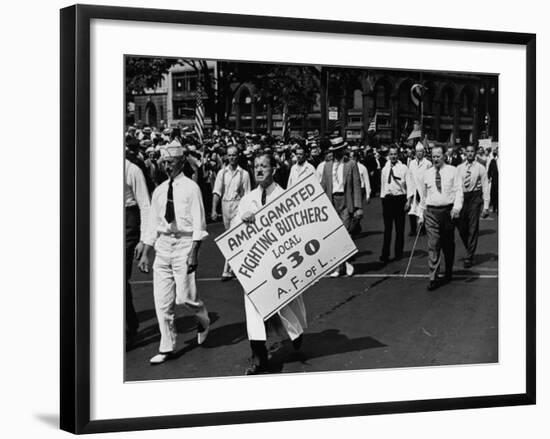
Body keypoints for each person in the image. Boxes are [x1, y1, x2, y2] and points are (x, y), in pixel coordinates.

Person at [138, 140, 211, 365]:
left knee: (185, 297)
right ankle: (166, 345)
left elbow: (199, 224)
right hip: (163, 247)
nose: (167, 166)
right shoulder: (160, 191)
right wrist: (145, 251)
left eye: (171, 162)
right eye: (164, 162)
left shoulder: (191, 188)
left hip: (184, 245)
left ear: (181, 161)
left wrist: (194, 252)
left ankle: (203, 319)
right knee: (162, 301)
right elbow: (153, 224)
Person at [237, 153, 307, 375]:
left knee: (285, 304)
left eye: (264, 166)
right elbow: (234, 235)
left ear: (273, 169)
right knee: (254, 310)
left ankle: (296, 333)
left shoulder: (284, 197)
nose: (258, 170)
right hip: (256, 266)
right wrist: (242, 221)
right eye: (256, 166)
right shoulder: (247, 200)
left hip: (280, 262)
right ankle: (259, 358)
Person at [418, 145, 463, 291]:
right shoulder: (427, 173)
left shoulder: (453, 171)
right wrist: (420, 214)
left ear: (444, 156)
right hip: (431, 213)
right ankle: (433, 276)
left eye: (438, 156)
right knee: (433, 244)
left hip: (448, 212)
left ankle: (448, 270)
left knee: (448, 244)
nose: (435, 158)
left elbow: (458, 191)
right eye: (433, 156)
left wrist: (456, 208)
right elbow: (423, 197)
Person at [318, 137, 363, 277]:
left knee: (345, 233)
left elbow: (356, 186)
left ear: (343, 149)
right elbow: (324, 186)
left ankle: (346, 262)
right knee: (335, 236)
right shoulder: (327, 166)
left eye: (340, 150)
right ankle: (339, 266)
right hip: (332, 201)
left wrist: (358, 207)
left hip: (346, 200)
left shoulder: (351, 164)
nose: (337, 153)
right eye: (335, 150)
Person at [211, 146, 251, 281]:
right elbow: (217, 192)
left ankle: (226, 270)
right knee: (232, 238)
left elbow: (247, 194)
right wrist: (213, 210)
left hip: (238, 205)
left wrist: (247, 211)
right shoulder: (222, 173)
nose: (232, 158)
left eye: (234, 155)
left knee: (231, 238)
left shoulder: (244, 174)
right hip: (225, 205)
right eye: (229, 155)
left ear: (238, 156)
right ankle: (235, 267)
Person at [124, 158, 151, 343]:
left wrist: (143, 240)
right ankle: (130, 323)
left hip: (129, 222)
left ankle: (126, 330)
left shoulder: (132, 170)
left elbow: (145, 205)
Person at [456, 145, 490, 268]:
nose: (470, 154)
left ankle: (469, 256)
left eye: (472, 151)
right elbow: (455, 185)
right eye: (468, 152)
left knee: (473, 227)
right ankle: (469, 248)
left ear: (475, 153)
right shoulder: (459, 168)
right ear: (465, 153)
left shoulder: (481, 168)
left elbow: (486, 187)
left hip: (475, 197)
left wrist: (486, 206)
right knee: (461, 227)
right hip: (462, 197)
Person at [379, 145, 410, 263]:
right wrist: (383, 198)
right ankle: (385, 254)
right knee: (387, 229)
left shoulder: (403, 168)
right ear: (388, 155)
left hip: (399, 199)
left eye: (395, 154)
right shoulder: (385, 168)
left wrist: (408, 200)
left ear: (398, 155)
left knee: (399, 228)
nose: (393, 156)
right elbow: (383, 185)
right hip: (388, 200)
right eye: (391, 154)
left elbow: (409, 184)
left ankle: (398, 253)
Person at [407, 142, 432, 236]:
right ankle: (413, 229)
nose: (419, 153)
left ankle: (423, 228)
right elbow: (410, 176)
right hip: (413, 188)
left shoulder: (428, 163)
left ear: (423, 152)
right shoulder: (412, 163)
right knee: (412, 210)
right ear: (415, 152)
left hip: (423, 188)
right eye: (417, 152)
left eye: (421, 151)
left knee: (423, 208)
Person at [487, 148, 499, 213]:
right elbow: (489, 170)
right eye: (497, 151)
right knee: (493, 194)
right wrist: (489, 177)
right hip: (494, 180)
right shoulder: (493, 161)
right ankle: (494, 207)